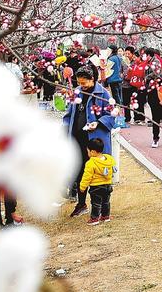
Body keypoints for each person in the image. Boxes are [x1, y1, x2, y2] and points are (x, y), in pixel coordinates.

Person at [67, 65, 114, 216]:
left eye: (84, 83)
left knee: (97, 173)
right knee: (80, 171)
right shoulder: (77, 92)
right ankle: (81, 203)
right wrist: (65, 129)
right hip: (78, 138)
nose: (82, 86)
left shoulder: (103, 94)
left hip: (94, 141)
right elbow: (69, 114)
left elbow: (112, 114)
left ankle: (100, 207)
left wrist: (99, 123)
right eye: (80, 83)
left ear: (92, 79)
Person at [78, 138, 117, 225]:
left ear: (93, 152)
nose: (87, 153)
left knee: (96, 203)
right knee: (106, 202)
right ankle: (105, 216)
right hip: (107, 185)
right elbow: (113, 169)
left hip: (96, 187)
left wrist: (82, 187)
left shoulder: (91, 163)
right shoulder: (110, 159)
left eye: (88, 151)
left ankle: (94, 219)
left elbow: (87, 177)